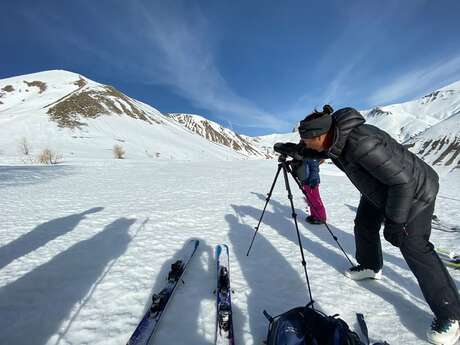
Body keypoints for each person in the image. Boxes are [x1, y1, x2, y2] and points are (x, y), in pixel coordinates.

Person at [276, 105, 460, 345]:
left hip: (414, 191)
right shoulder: (336, 139)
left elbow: (401, 184)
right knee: (364, 224)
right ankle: (371, 265)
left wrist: (395, 222)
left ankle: (451, 314)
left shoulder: (361, 144)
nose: (305, 143)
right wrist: (295, 151)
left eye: (306, 140)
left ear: (320, 136)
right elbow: (322, 152)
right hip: (381, 187)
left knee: (414, 246)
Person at [293, 159, 327, 224]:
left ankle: (321, 218)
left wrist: (313, 181)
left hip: (312, 182)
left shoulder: (312, 156)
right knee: (310, 200)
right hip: (306, 181)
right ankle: (314, 215)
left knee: (315, 200)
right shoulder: (307, 154)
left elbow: (314, 169)